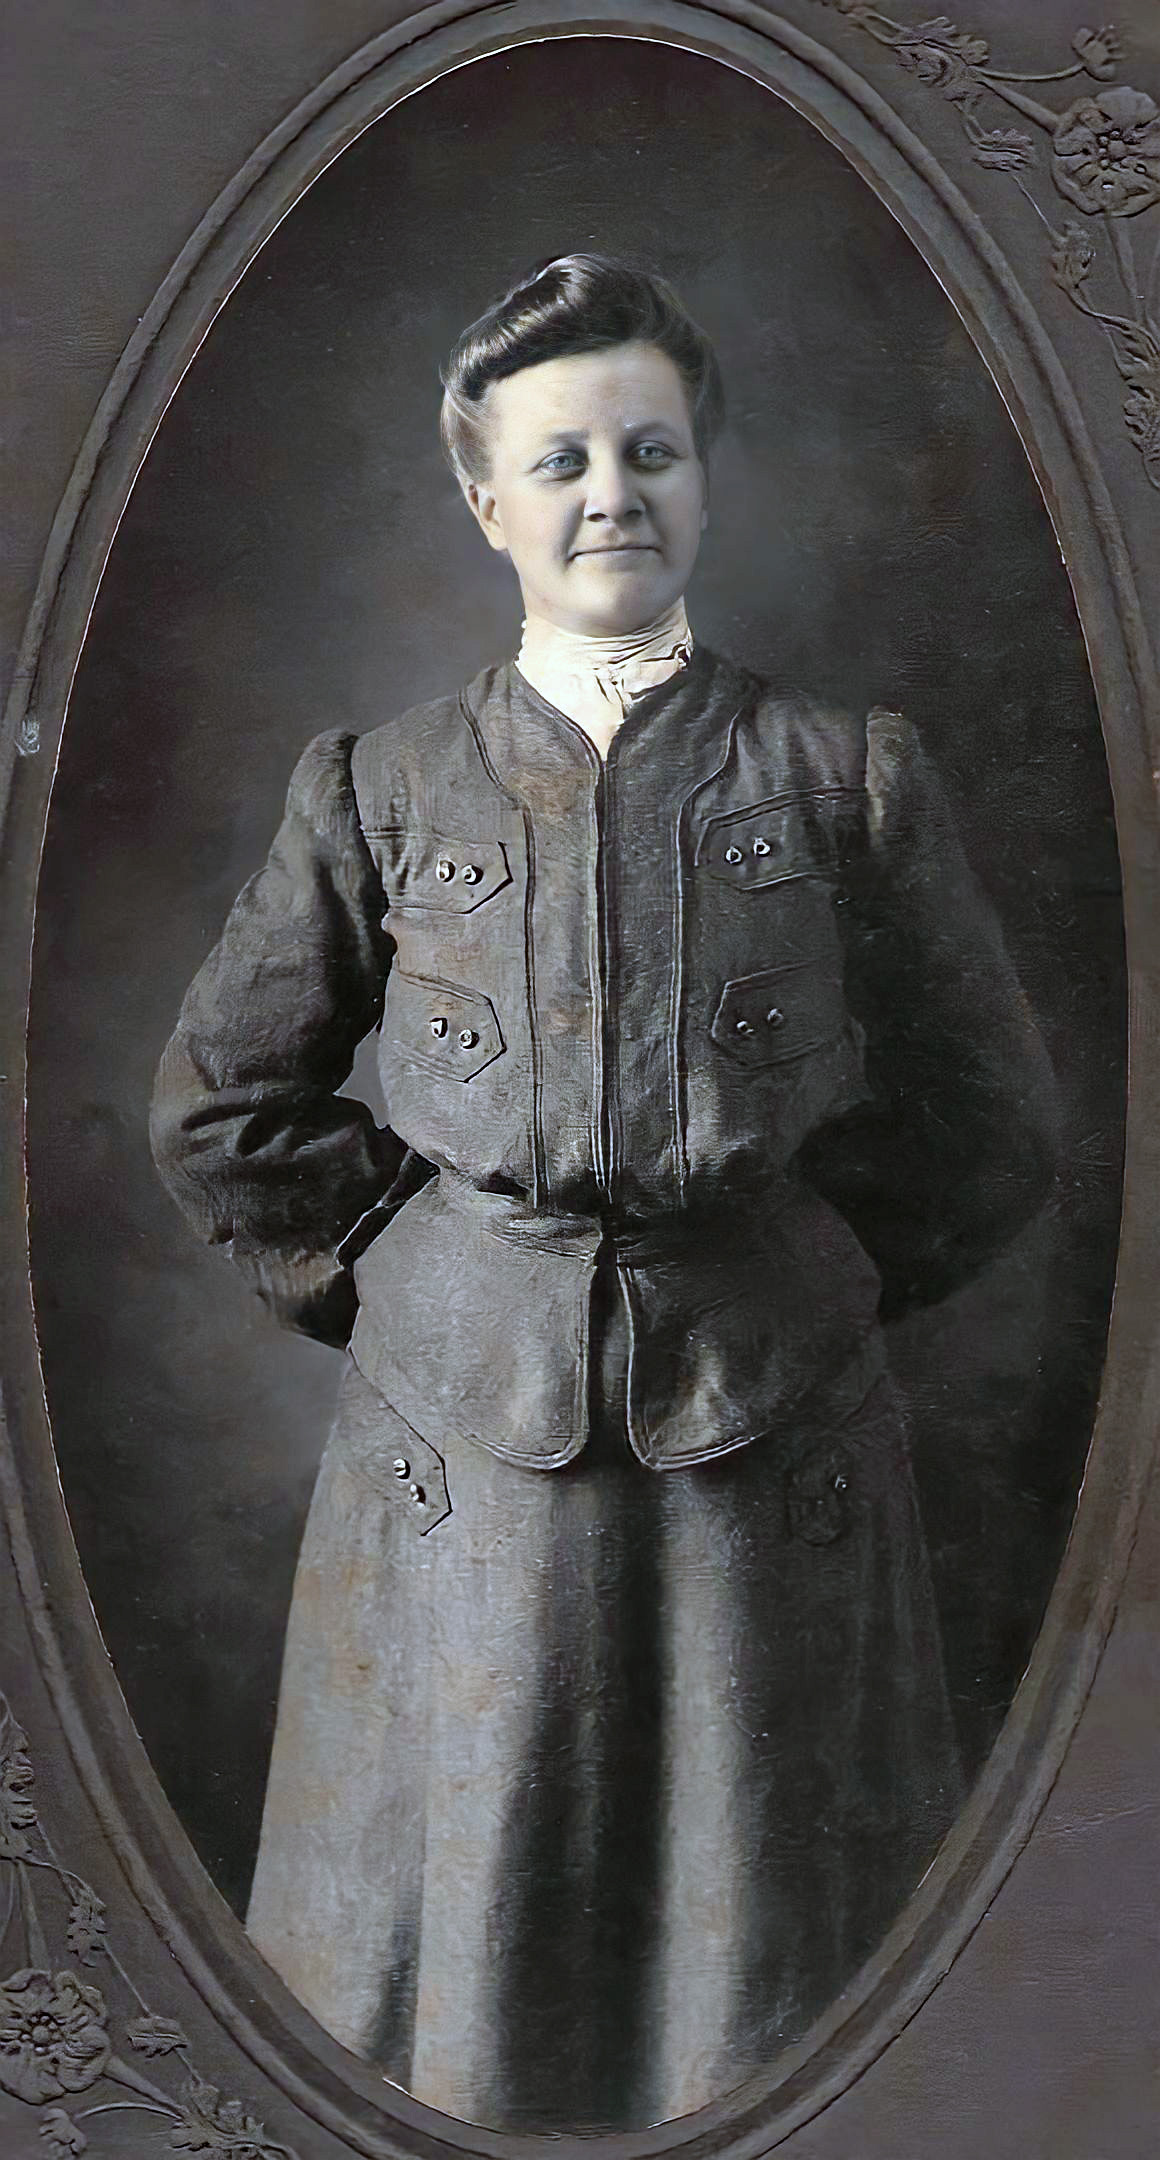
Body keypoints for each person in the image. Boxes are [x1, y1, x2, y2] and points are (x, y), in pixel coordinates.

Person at [150, 254, 1058, 2132]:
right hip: (457, 1474)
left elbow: (993, 1120)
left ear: (706, 478)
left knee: (766, 1938)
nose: (610, 496)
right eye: (559, 460)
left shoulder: (843, 776)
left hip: (772, 1457)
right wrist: (408, 1273)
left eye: (651, 452)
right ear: (486, 499)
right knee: (459, 1939)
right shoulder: (383, 786)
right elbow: (223, 1109)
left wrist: (812, 1268)